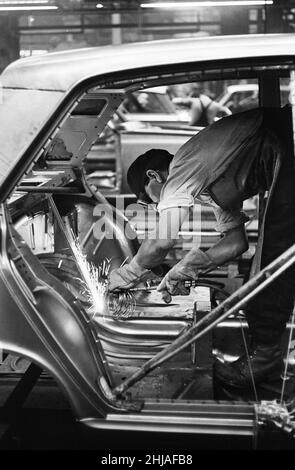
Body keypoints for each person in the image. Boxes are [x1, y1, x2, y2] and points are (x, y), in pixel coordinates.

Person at [109, 106, 295, 390]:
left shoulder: (181, 166)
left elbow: (161, 243)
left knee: (273, 255)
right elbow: (236, 243)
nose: (158, 207)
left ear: (154, 176)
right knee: (263, 267)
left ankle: (266, 357)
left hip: (285, 142)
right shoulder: (209, 180)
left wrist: (126, 274)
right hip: (281, 151)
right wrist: (192, 265)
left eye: (150, 201)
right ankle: (265, 352)